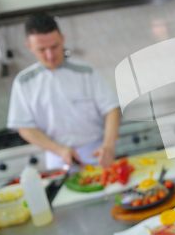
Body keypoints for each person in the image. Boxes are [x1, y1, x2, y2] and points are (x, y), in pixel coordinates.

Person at [7, 13, 121, 170]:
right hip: (59, 159)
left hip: (97, 153)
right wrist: (60, 150)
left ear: (63, 39)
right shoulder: (23, 82)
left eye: (55, 46)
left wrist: (108, 146)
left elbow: (112, 109)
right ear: (30, 47)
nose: (50, 55)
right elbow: (24, 127)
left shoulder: (86, 72)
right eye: (42, 49)